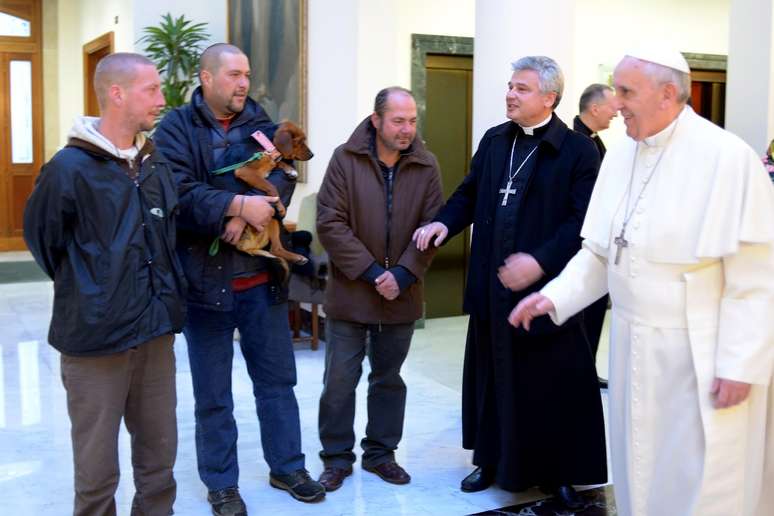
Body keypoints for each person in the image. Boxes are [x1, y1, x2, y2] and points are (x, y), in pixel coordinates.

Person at [510, 48, 774, 516]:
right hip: (633, 346)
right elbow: (599, 253)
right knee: (640, 469)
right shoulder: (621, 154)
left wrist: (741, 362)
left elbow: (755, 279)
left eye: (626, 92)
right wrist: (553, 296)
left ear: (667, 93)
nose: (616, 104)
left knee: (701, 478)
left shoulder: (728, 158)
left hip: (701, 355)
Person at [415, 56, 607, 509]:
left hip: (548, 293)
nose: (510, 94)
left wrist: (539, 262)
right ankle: (492, 459)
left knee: (550, 384)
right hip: (493, 286)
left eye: (521, 88)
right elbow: (469, 192)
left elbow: (582, 222)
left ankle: (558, 472)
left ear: (549, 97)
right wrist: (445, 223)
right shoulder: (496, 140)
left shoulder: (577, 151)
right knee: (493, 376)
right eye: (510, 86)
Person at [154, 43, 324, 515]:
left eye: (246, 74)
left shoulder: (260, 122)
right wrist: (234, 205)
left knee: (277, 383)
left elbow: (284, 173)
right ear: (207, 78)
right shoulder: (175, 129)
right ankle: (222, 483)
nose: (244, 83)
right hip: (204, 284)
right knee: (213, 394)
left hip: (260, 281)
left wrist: (255, 213)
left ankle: (287, 466)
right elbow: (176, 192)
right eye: (233, 75)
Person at [23, 53, 185, 516]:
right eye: (151, 90)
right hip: (95, 341)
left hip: (155, 333)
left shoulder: (156, 164)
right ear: (117, 94)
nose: (161, 99)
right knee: (95, 476)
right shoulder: (68, 169)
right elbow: (46, 244)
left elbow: (167, 235)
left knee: (159, 464)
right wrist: (96, 292)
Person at [315, 86, 444, 491]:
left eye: (412, 121)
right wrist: (374, 273)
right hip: (353, 292)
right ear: (376, 121)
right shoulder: (345, 158)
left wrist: (404, 274)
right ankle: (336, 458)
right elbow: (330, 224)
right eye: (398, 121)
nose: (407, 130)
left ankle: (381, 454)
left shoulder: (427, 165)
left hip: (401, 295)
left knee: (389, 380)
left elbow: (434, 226)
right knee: (339, 381)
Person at [574, 83, 618, 389]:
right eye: (612, 105)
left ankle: (586, 366)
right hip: (582, 241)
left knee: (594, 312)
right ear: (595, 108)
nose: (616, 111)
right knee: (582, 312)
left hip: (599, 239)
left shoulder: (594, 141)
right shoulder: (577, 142)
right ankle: (579, 369)